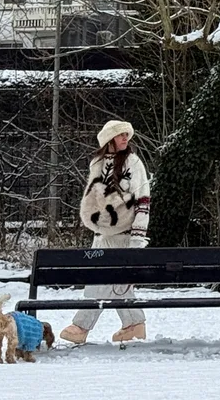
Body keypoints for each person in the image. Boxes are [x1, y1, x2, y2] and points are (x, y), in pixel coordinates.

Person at [59, 120, 152, 345]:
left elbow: (143, 201)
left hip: (125, 234)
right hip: (101, 233)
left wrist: (138, 236)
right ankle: (133, 324)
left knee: (102, 280)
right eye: (120, 135)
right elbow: (92, 197)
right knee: (113, 281)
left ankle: (81, 326)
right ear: (109, 139)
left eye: (126, 134)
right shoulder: (97, 163)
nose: (125, 138)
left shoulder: (133, 162)